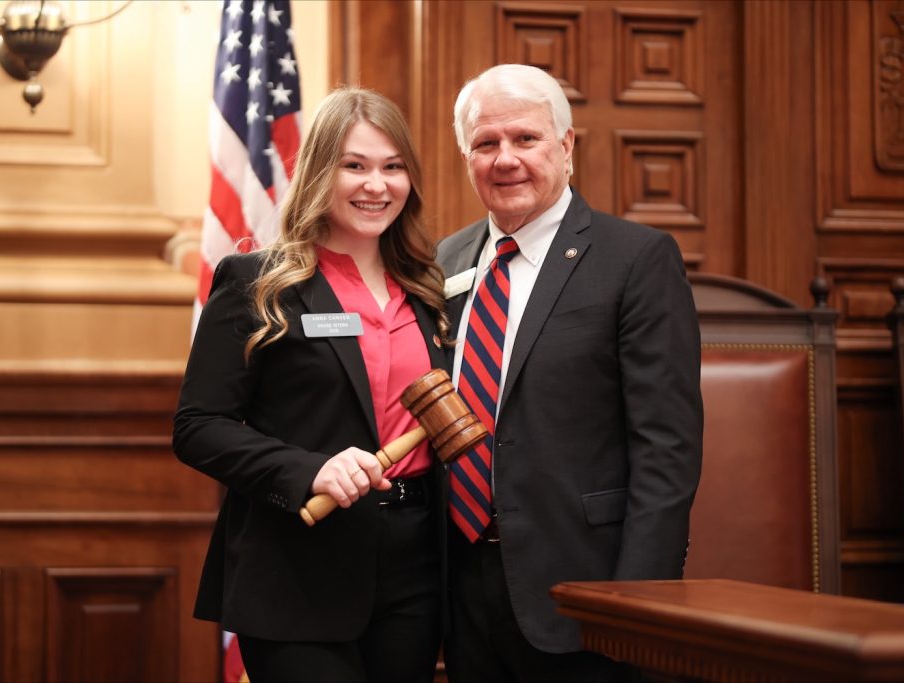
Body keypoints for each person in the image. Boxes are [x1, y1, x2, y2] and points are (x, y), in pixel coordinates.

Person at [437, 64, 704, 683]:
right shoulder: (442, 261)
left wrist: (633, 607)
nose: (505, 159)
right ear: (466, 156)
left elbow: (668, 448)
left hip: (584, 591)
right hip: (461, 591)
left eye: (525, 139)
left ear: (566, 145)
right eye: (486, 143)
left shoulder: (635, 259)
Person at [173, 87, 450, 683]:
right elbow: (197, 428)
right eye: (355, 165)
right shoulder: (256, 282)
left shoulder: (430, 289)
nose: (376, 185)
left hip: (417, 565)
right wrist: (309, 471)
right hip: (296, 565)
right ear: (321, 171)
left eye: (392, 167)